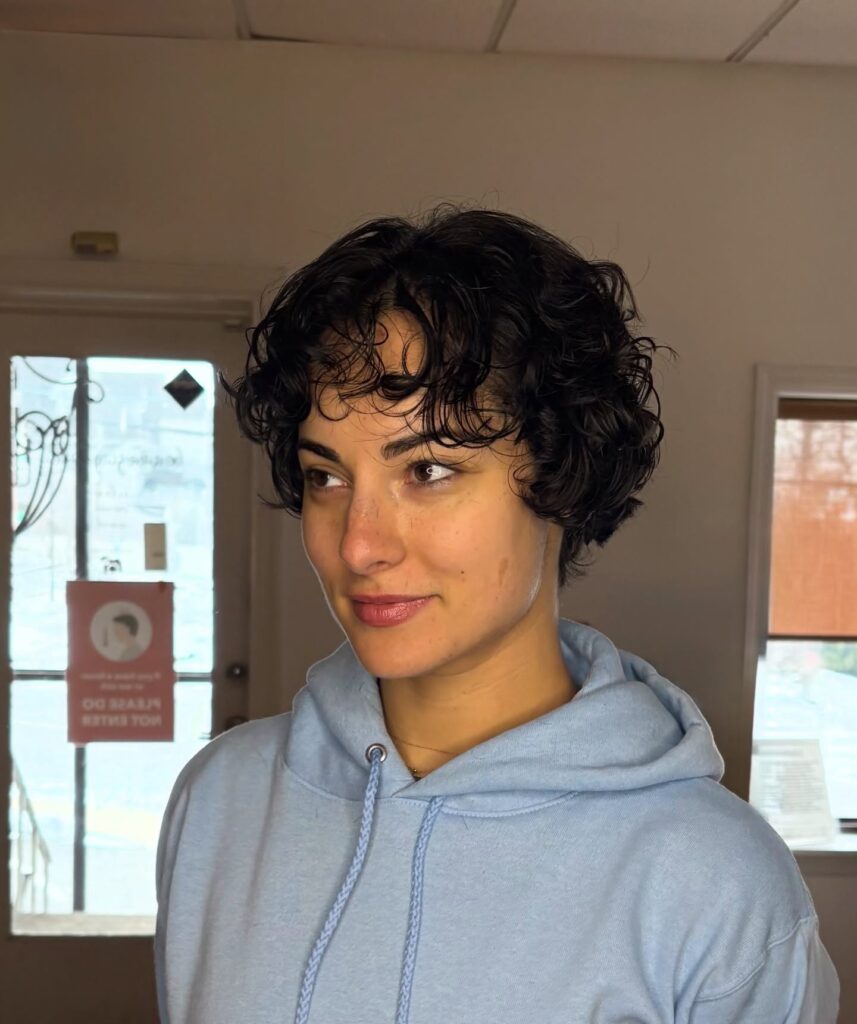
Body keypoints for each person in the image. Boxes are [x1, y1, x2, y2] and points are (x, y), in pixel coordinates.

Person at [154, 205, 840, 1023]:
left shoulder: (711, 882)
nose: (360, 544)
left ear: (559, 477)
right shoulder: (220, 802)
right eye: (324, 476)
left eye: (431, 470)